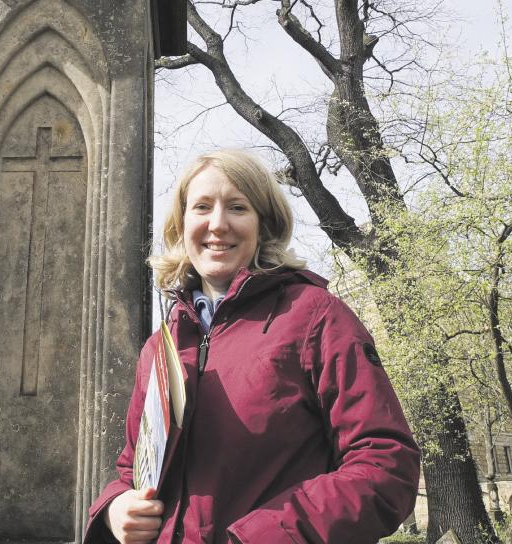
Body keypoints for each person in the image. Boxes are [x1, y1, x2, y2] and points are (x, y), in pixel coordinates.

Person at [83, 149, 421, 543]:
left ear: (264, 225)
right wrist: (115, 507)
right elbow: (133, 470)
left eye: (238, 207)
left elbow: (385, 464)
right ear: (181, 224)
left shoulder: (316, 317)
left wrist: (264, 536)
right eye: (202, 207)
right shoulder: (161, 347)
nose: (218, 224)